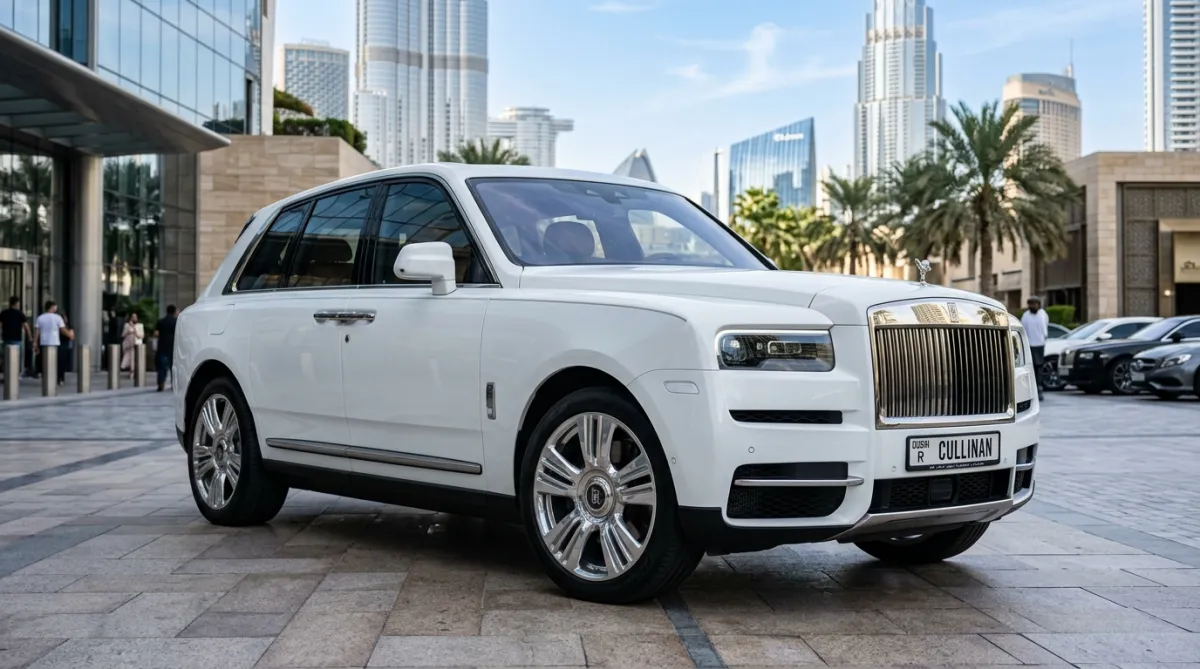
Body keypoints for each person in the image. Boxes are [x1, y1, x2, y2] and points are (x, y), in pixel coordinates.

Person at [1021, 295, 1050, 402]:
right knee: (1031, 367)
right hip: (1030, 345)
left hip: (1040, 344)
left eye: (1035, 304)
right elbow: (1023, 329)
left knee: (1039, 367)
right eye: (1031, 304)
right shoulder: (1025, 316)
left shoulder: (1043, 314)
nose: (1033, 306)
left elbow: (1045, 326)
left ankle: (1039, 388)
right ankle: (1031, 390)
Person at [32, 300, 67, 385]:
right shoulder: (58, 317)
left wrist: (35, 342)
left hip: (44, 342)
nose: (56, 308)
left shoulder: (40, 317)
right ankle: (59, 379)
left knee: (45, 362)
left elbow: (37, 331)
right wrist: (70, 334)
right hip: (55, 342)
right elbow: (63, 330)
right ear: (52, 307)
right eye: (55, 307)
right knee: (58, 362)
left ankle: (46, 378)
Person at [1, 296, 32, 378]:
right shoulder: (20, 313)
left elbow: (0, 325)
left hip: (6, 337)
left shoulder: (4, 313)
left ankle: (6, 374)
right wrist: (29, 337)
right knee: (16, 357)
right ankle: (15, 374)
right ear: (16, 303)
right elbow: (26, 326)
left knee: (6, 357)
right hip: (17, 338)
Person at [153, 305, 178, 392]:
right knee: (173, 367)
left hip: (162, 346)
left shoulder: (160, 321)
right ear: (174, 312)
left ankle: (161, 383)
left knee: (162, 367)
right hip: (172, 346)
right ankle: (174, 384)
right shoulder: (176, 321)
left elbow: (156, 333)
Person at [119, 312, 143, 379]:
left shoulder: (140, 325)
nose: (134, 318)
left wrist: (134, 328)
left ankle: (133, 372)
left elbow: (141, 335)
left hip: (136, 344)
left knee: (134, 358)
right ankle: (131, 371)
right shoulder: (127, 325)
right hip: (128, 344)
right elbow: (123, 335)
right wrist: (128, 330)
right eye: (132, 317)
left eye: (135, 317)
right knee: (129, 358)